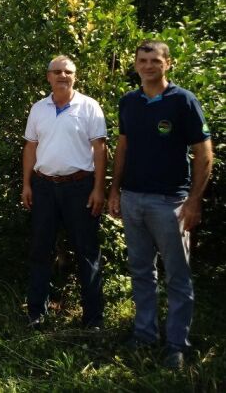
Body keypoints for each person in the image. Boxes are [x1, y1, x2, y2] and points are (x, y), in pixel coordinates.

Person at [108, 40, 213, 369]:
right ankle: (144, 335)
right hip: (133, 199)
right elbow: (122, 148)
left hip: (171, 202)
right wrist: (114, 191)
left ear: (168, 63)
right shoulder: (129, 102)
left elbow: (204, 153)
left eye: (155, 60)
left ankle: (176, 345)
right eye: (142, 60)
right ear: (136, 64)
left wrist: (194, 201)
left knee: (177, 277)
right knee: (141, 272)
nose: (148, 65)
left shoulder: (183, 101)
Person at [21, 55, 106, 330]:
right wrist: (26, 184)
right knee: (39, 250)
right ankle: (37, 313)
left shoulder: (90, 107)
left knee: (87, 252)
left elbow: (100, 149)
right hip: (44, 187)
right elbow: (30, 148)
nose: (62, 75)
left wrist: (98, 189)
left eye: (67, 71)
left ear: (75, 76)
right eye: (56, 71)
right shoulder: (38, 109)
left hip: (80, 187)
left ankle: (92, 319)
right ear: (48, 77)